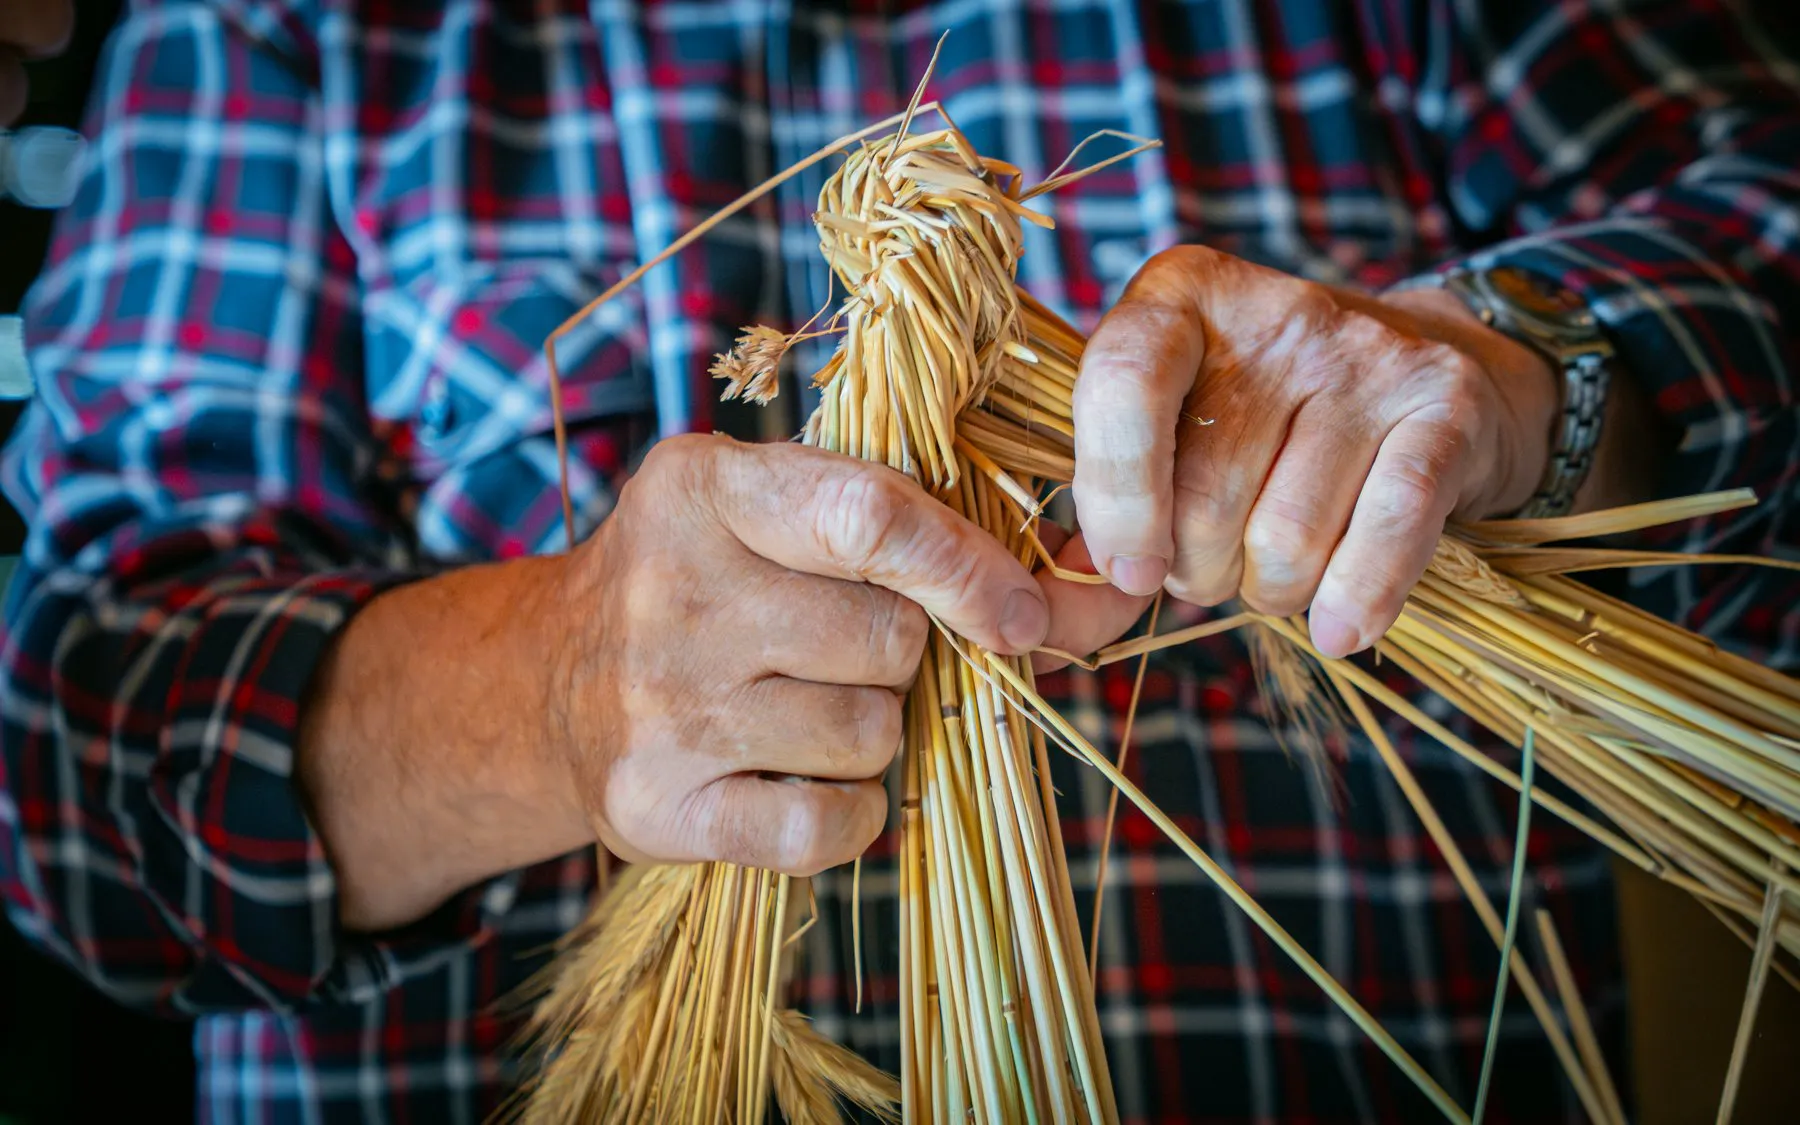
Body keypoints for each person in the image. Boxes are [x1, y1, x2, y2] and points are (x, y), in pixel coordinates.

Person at [1, 0, 1795, 1121]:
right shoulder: (290, 36)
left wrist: (1512, 380)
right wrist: (548, 689)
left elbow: (1761, 204)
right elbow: (74, 780)